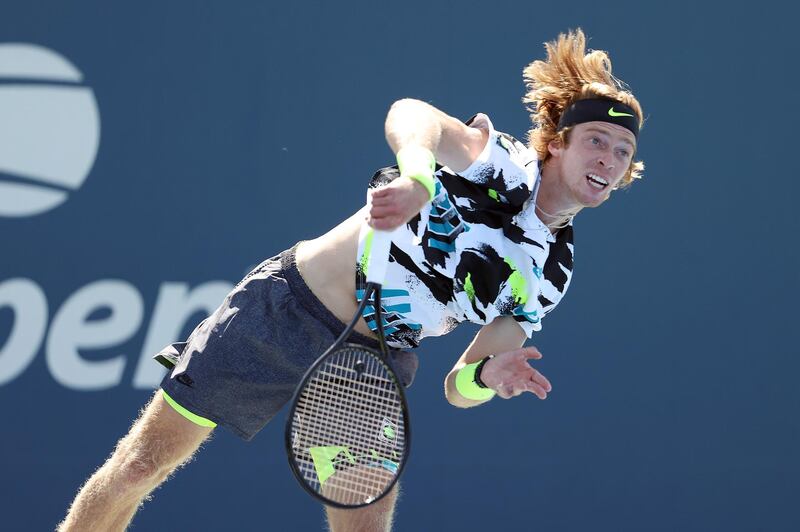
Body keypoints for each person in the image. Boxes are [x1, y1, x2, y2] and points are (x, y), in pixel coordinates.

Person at [58, 28, 645, 532]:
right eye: (597, 140)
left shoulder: (550, 273)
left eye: (623, 151)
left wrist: (487, 378)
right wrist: (419, 178)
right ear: (558, 142)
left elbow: (458, 389)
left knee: (364, 520)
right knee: (140, 466)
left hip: (373, 365)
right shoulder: (500, 164)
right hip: (287, 308)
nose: (609, 159)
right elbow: (411, 114)